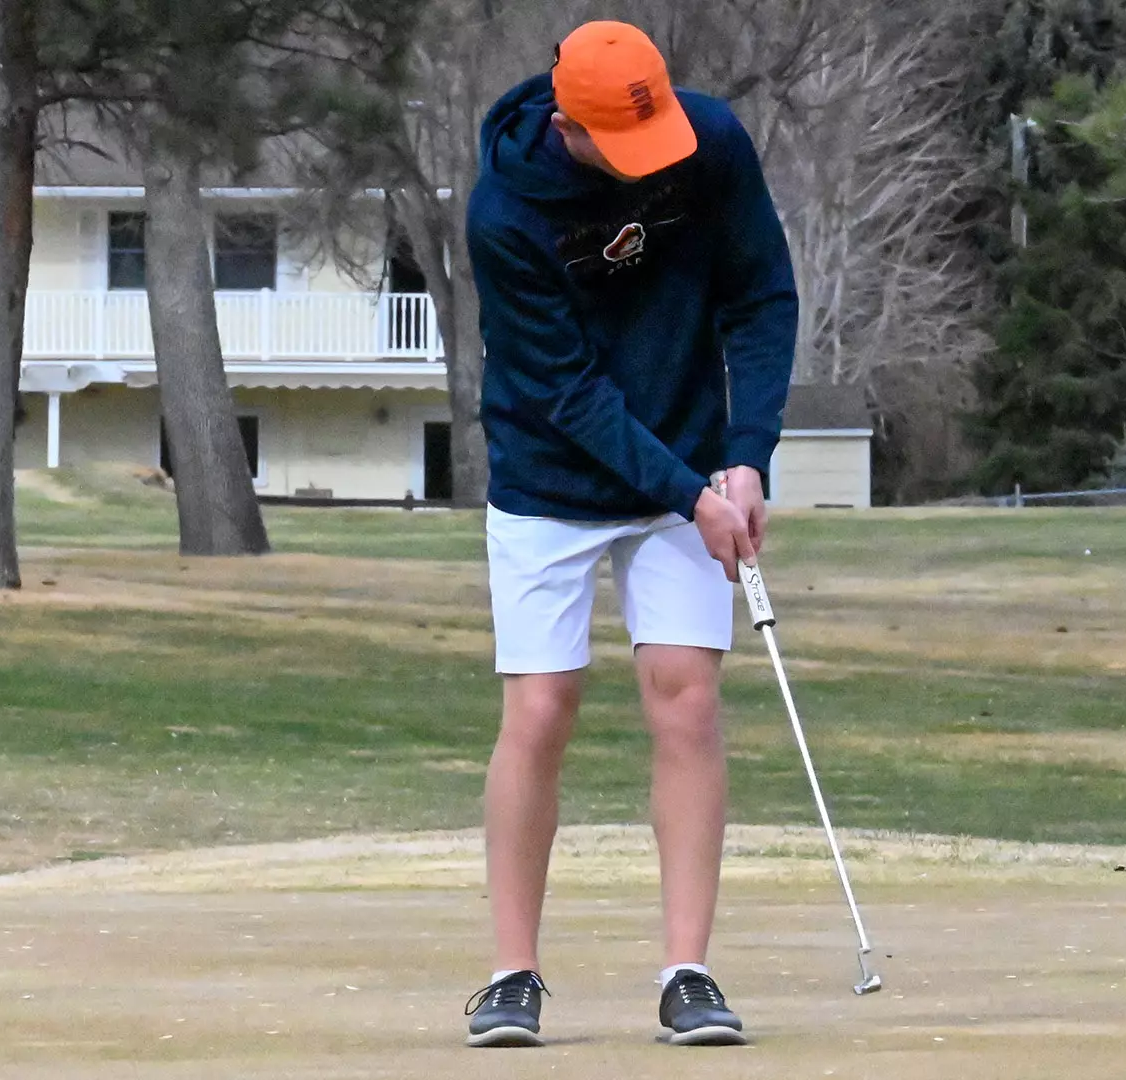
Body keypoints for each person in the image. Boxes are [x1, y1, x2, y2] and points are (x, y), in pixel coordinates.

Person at [460, 19, 797, 1049]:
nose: (656, 160)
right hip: (548, 473)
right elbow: (569, 393)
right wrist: (694, 492)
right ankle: (513, 974)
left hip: (689, 460)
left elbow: (762, 296)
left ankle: (687, 972)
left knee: (686, 699)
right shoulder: (505, 211)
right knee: (542, 707)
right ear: (569, 125)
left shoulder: (711, 141)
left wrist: (746, 456)